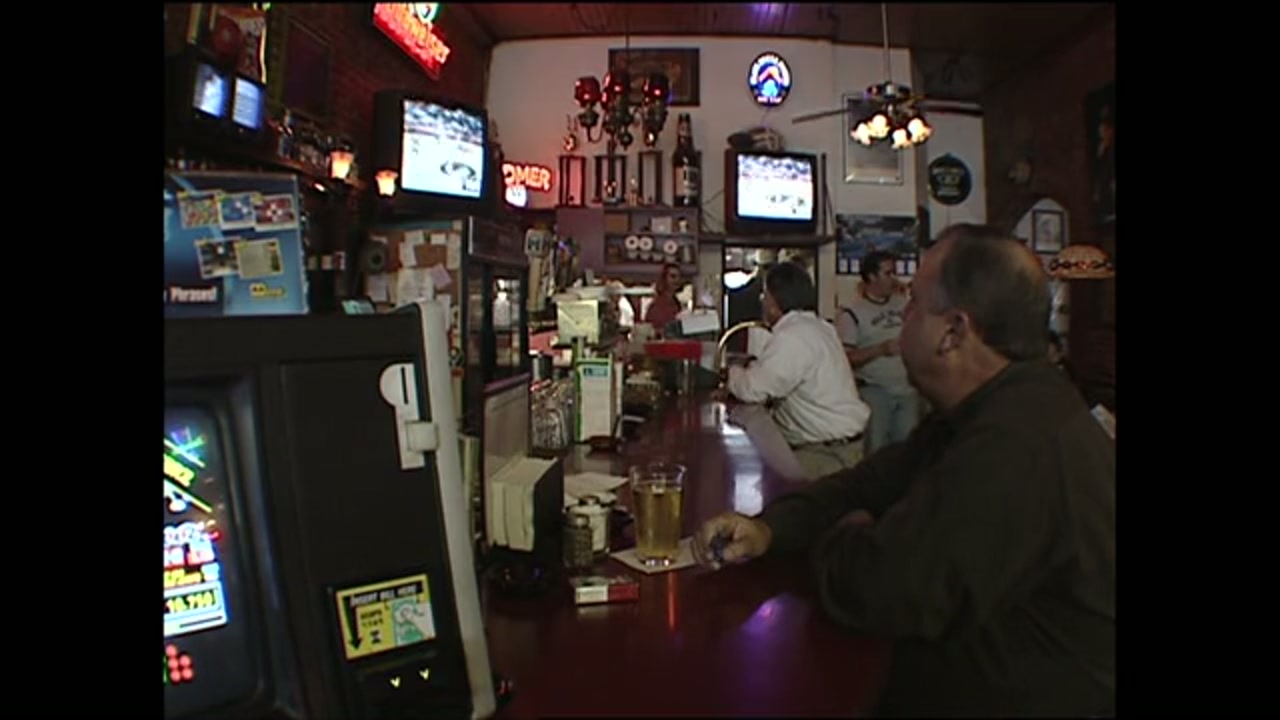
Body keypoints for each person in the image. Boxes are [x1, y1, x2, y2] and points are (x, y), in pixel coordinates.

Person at [695, 224, 1115, 717]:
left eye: (913, 302)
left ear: (953, 333)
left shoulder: (1021, 438)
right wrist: (770, 528)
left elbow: (883, 590)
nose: (902, 315)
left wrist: (843, 532)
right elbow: (866, 484)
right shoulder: (982, 410)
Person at [723, 261, 871, 479]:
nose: (762, 300)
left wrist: (732, 369)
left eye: (765, 295)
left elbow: (752, 390)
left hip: (828, 453)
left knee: (763, 477)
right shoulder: (818, 326)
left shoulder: (793, 336)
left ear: (774, 302)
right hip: (839, 443)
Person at [836, 251, 918, 453]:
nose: (894, 279)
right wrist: (880, 349)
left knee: (907, 452)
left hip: (907, 390)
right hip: (875, 392)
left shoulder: (903, 304)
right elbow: (846, 359)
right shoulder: (852, 313)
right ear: (872, 276)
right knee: (877, 450)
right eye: (888, 273)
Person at [644, 262, 684, 336]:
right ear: (664, 279)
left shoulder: (677, 304)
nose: (677, 280)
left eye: (679, 277)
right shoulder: (656, 306)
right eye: (673, 276)